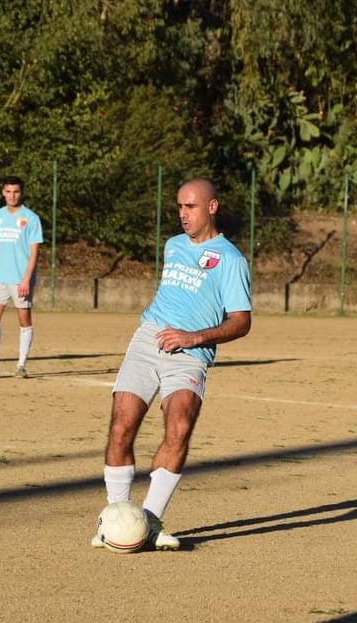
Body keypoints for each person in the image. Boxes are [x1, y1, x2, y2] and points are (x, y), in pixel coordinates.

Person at [92, 177, 252, 551]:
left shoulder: (230, 260)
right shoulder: (173, 245)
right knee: (121, 425)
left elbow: (242, 321)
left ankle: (148, 521)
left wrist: (194, 337)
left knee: (179, 426)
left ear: (212, 207)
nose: (183, 214)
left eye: (191, 206)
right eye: (180, 206)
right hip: (149, 339)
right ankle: (116, 521)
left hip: (191, 352)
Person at [0, 176, 43, 378]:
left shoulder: (31, 218)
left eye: (16, 192)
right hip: (0, 278)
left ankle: (21, 365)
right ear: (3, 192)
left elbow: (34, 251)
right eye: (8, 191)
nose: (12, 195)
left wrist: (26, 279)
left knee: (24, 319)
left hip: (21, 279)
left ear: (21, 193)